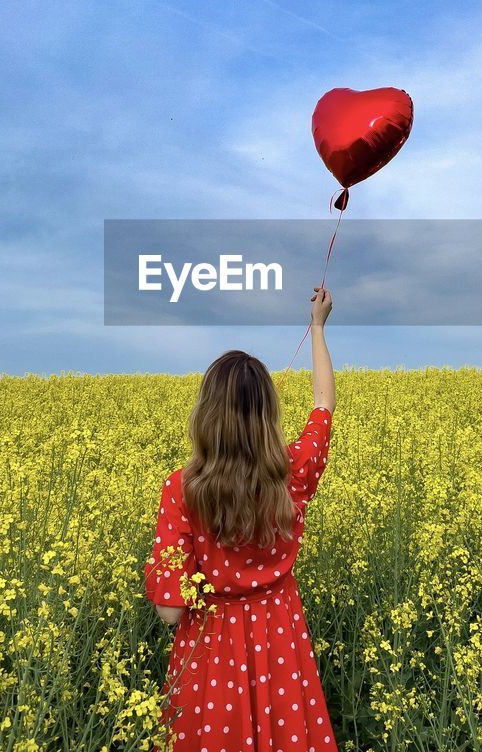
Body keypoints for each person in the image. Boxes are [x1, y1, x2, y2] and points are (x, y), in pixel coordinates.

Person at [144, 286, 337, 752]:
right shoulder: (289, 474)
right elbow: (324, 408)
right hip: (280, 641)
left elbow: (170, 612)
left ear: (206, 417)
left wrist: (160, 574)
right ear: (268, 415)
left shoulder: (182, 490)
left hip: (212, 654)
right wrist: (317, 326)